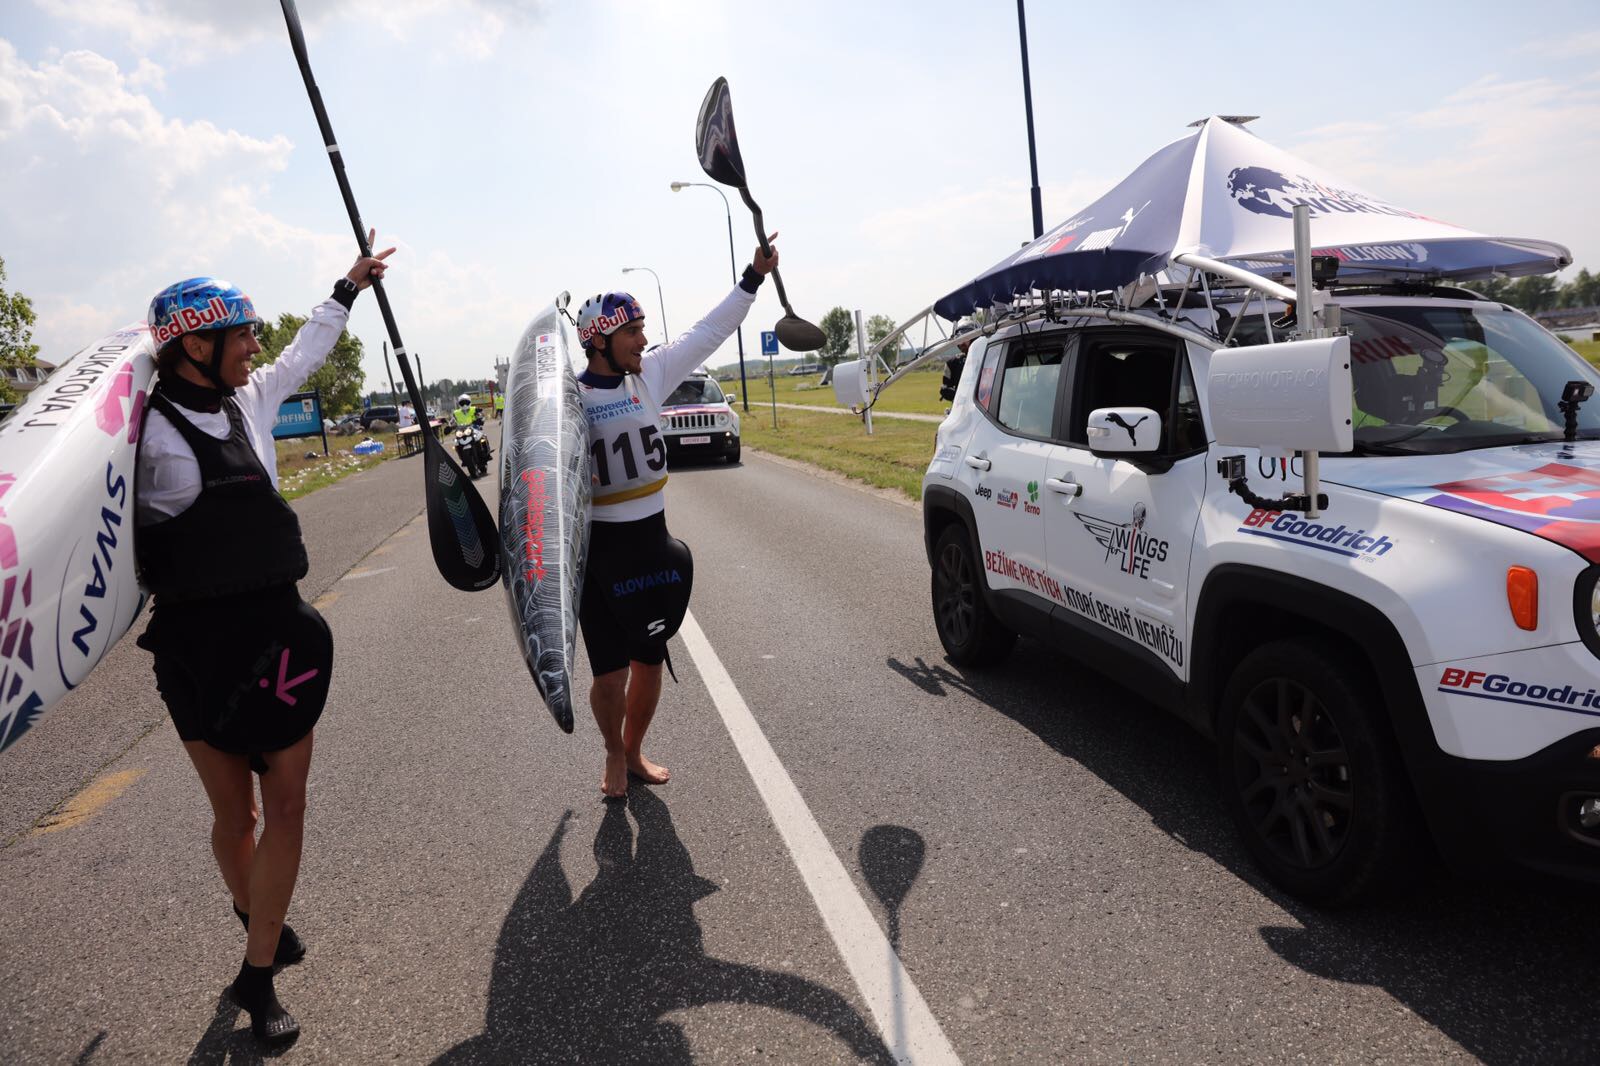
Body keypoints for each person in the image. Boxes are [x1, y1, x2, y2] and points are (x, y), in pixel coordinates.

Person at [134, 233, 393, 1047]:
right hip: (193, 647)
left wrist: (347, 289)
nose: (255, 345)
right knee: (233, 816)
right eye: (240, 334)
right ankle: (263, 919)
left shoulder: (248, 400)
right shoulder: (140, 439)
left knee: (285, 804)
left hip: (275, 632)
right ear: (194, 346)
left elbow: (305, 352)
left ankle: (257, 974)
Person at [577, 237, 778, 798]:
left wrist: (752, 278)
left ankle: (635, 749)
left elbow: (706, 332)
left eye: (642, 331)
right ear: (599, 342)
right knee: (609, 674)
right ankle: (614, 754)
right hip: (600, 551)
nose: (644, 340)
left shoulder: (651, 376)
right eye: (632, 333)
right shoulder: (570, 400)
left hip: (651, 540)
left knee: (650, 663)